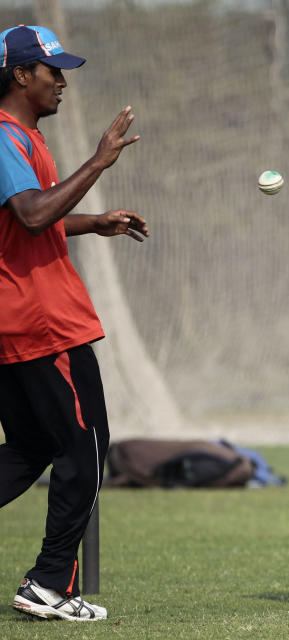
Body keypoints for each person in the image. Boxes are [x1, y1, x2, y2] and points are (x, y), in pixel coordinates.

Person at [0, 25, 147, 622]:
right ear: (19, 76)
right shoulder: (5, 136)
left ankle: (50, 583)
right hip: (42, 322)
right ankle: (48, 585)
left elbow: (20, 223)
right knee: (85, 447)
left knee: (33, 447)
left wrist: (93, 222)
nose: (61, 81)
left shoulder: (23, 138)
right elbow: (32, 216)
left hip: (19, 320)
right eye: (51, 70)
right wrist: (101, 160)